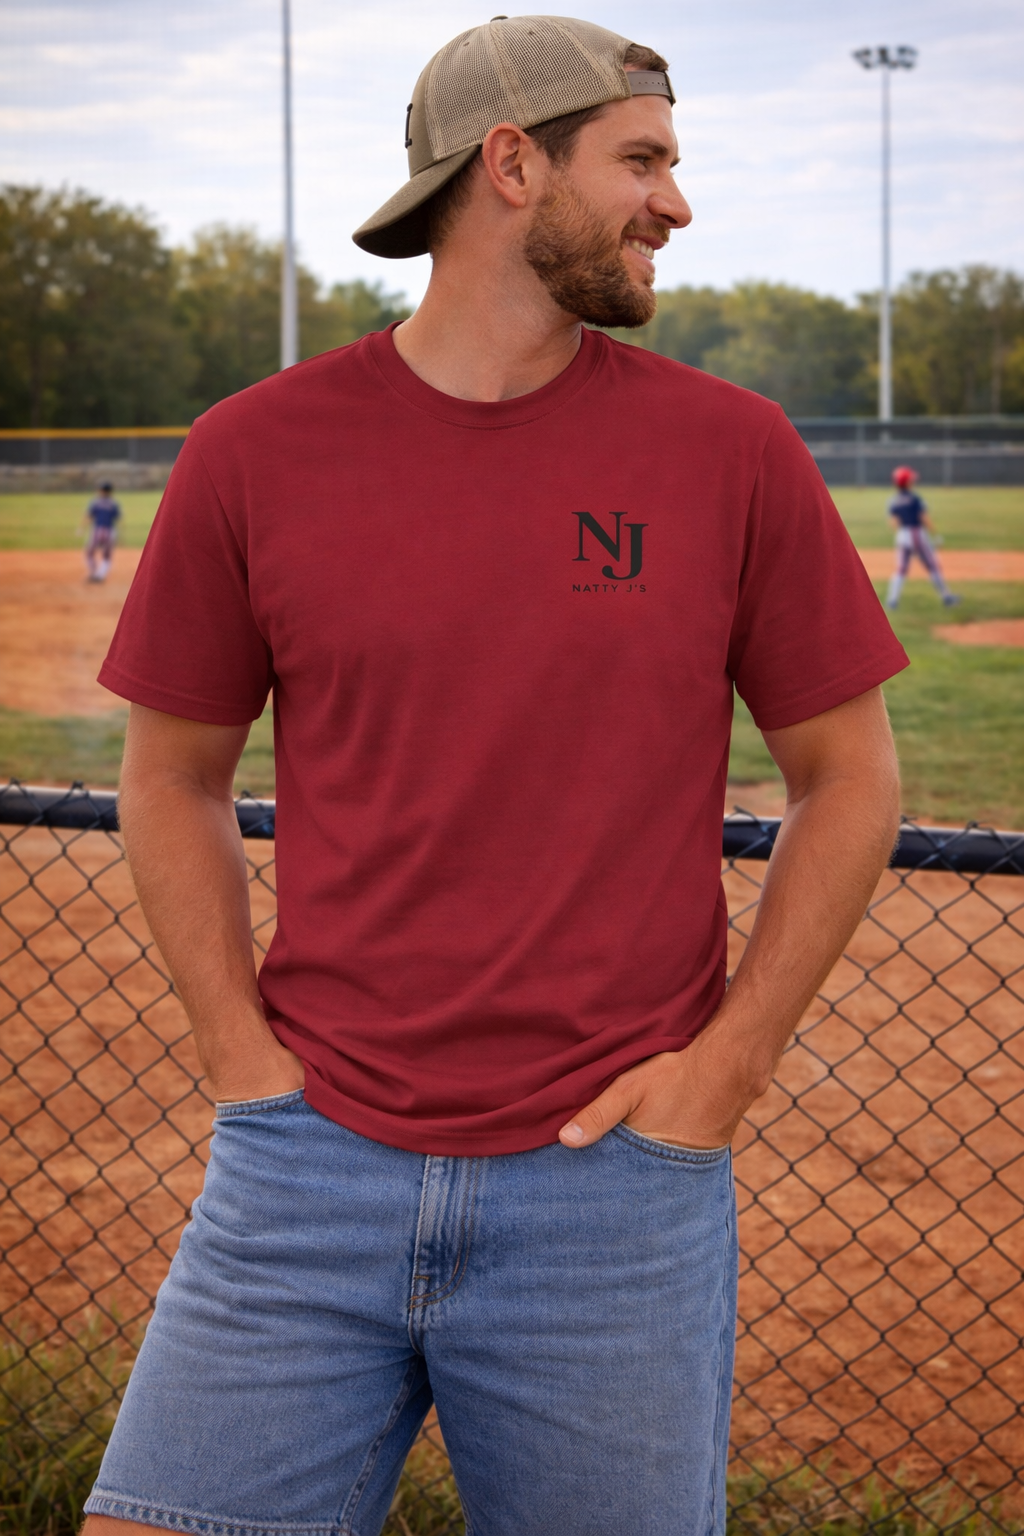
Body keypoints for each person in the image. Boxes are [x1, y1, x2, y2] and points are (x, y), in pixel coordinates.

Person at [83, 18, 908, 1536]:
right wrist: (240, 1070)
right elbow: (173, 777)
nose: (676, 201)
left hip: (615, 1191)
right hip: (303, 1167)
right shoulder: (254, 450)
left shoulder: (732, 451)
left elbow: (849, 779)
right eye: (643, 159)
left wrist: (722, 1079)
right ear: (514, 165)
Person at [886, 464, 960, 609]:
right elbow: (924, 518)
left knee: (901, 569)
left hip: (902, 535)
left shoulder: (893, 500)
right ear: (907, 482)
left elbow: (893, 523)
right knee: (933, 566)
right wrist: (935, 535)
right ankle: (946, 597)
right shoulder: (915, 499)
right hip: (916, 533)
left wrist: (903, 533)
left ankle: (892, 601)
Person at [81, 480, 122, 582]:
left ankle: (94, 573)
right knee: (106, 555)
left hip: (97, 530)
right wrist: (120, 535)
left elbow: (89, 516)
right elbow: (118, 518)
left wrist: (81, 528)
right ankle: (100, 575)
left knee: (89, 553)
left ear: (101, 491)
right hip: (110, 531)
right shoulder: (114, 503)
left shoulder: (96, 502)